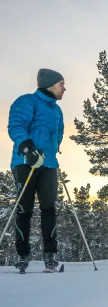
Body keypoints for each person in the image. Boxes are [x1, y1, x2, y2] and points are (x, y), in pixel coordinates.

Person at [8, 68, 66, 272]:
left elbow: (59, 132)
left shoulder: (57, 110)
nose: (64, 88)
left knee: (49, 209)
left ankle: (50, 254)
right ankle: (23, 255)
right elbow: (16, 126)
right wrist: (27, 148)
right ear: (50, 85)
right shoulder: (27, 101)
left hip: (49, 165)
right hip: (26, 162)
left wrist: (52, 149)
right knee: (24, 209)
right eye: (61, 84)